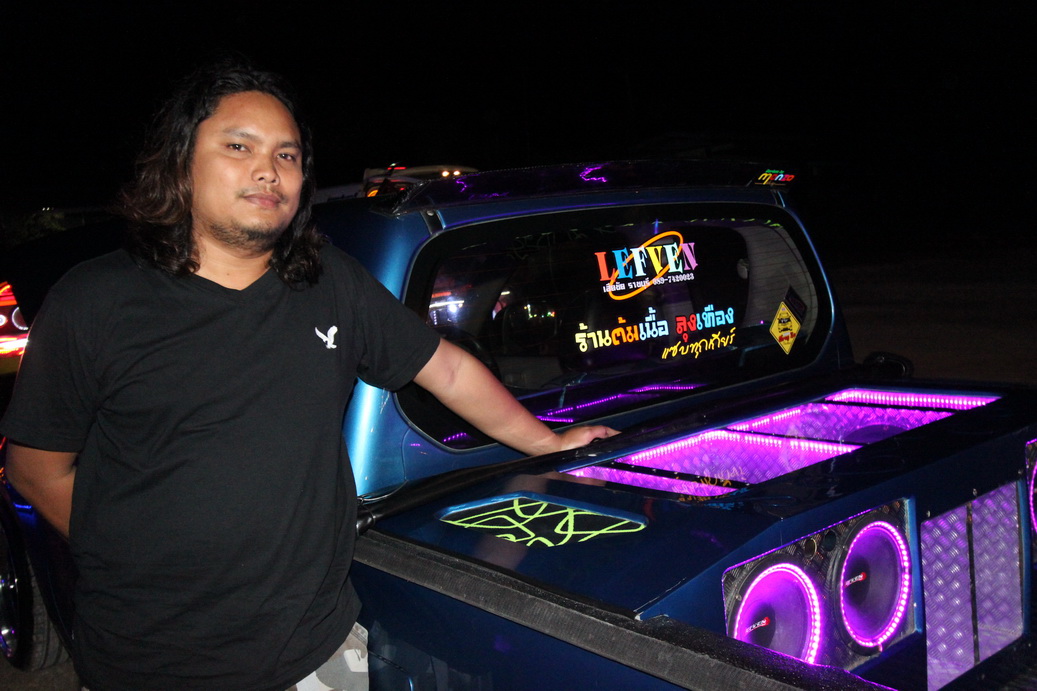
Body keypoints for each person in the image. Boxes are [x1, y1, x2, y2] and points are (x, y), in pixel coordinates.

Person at [0, 59, 616, 691]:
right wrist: (131, 559)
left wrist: (549, 442)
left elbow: (448, 369)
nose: (269, 169)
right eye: (239, 147)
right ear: (181, 161)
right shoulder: (95, 301)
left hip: (315, 652)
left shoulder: (329, 283)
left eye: (287, 155)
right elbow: (36, 468)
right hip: (148, 662)